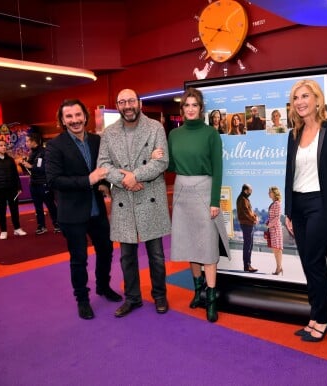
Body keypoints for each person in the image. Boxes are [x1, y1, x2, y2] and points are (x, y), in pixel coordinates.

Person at [46, 98, 123, 320]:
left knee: (106, 250)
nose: (74, 120)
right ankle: (82, 298)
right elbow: (54, 181)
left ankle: (103, 286)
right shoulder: (55, 146)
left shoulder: (97, 141)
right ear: (62, 120)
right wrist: (88, 180)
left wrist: (103, 184)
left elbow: (105, 170)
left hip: (96, 210)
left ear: (85, 116)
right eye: (69, 116)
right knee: (79, 259)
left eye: (78, 115)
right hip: (72, 214)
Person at [97, 88, 170, 317]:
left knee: (156, 254)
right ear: (118, 106)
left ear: (139, 103)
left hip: (150, 197)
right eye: (122, 102)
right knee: (126, 256)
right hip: (124, 200)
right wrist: (125, 180)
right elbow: (104, 165)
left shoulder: (155, 128)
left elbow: (162, 162)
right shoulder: (109, 133)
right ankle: (133, 298)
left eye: (131, 101)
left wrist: (134, 176)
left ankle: (160, 296)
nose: (127, 106)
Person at [284, 79, 327, 343]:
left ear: (317, 100)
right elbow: (289, 174)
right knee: (309, 264)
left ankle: (324, 318)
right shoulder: (293, 134)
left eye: (305, 96)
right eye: (296, 97)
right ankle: (316, 316)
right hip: (299, 205)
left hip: (320, 205)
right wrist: (288, 211)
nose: (301, 102)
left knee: (315, 263)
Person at [168, 87, 230, 323]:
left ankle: (211, 300)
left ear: (201, 109)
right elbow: (172, 165)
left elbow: (218, 169)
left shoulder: (211, 134)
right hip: (182, 192)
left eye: (195, 105)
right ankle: (198, 293)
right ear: (182, 109)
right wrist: (157, 157)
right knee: (189, 245)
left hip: (205, 191)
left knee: (207, 249)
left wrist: (215, 201)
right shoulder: (174, 135)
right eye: (187, 105)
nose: (191, 109)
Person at [0, 139, 28, 240]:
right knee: (1, 211)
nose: (4, 147)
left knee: (14, 209)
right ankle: (3, 231)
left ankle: (17, 228)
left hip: (12, 189)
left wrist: (19, 187)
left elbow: (15, 175)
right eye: (1, 145)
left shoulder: (10, 160)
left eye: (5, 145)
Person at [20, 132, 60, 235]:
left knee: (50, 205)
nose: (26, 143)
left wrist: (30, 166)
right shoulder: (31, 153)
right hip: (33, 183)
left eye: (28, 141)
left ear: (34, 141)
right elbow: (30, 170)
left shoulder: (44, 152)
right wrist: (24, 165)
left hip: (44, 183)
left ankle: (57, 224)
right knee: (38, 207)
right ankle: (41, 226)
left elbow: (42, 168)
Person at [236, 184, 258, 273]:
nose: (251, 192)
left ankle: (248, 265)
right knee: (248, 245)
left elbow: (250, 211)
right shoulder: (243, 199)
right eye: (250, 190)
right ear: (245, 190)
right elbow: (246, 212)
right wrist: (254, 218)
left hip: (248, 224)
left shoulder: (244, 199)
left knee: (249, 245)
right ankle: (247, 265)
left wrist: (255, 216)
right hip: (247, 224)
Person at [267, 186, 283, 275]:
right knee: (275, 249)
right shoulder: (273, 203)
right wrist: (268, 222)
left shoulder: (277, 203)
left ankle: (279, 268)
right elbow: (272, 217)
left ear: (274, 193)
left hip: (276, 228)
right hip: (272, 228)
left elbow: (277, 217)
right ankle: (279, 267)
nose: (268, 193)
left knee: (278, 249)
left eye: (270, 192)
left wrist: (269, 224)